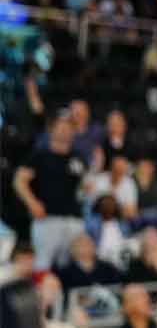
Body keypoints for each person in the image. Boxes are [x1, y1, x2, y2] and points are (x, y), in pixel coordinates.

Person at [14, 114, 87, 270]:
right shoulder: (39, 155)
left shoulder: (78, 158)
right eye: (60, 127)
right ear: (51, 130)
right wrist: (32, 203)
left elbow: (83, 185)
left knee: (71, 267)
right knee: (43, 265)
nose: (65, 131)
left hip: (74, 219)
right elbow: (19, 181)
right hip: (47, 219)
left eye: (68, 128)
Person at [53, 232, 121, 291]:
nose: (86, 248)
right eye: (81, 245)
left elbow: (117, 287)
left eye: (89, 244)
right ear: (73, 249)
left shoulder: (108, 269)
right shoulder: (65, 273)